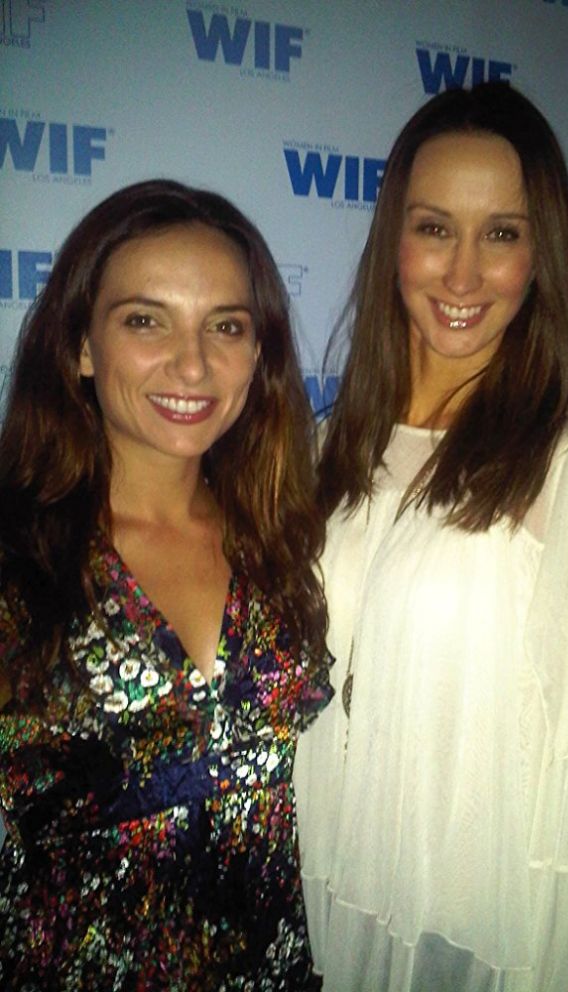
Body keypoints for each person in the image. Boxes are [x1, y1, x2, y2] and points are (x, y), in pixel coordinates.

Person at [293, 82, 568, 992]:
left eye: (501, 233)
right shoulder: (325, 449)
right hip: (312, 910)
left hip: (467, 955)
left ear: (542, 257)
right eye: (434, 228)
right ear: (394, 242)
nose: (462, 275)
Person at [0, 180, 331, 991]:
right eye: (146, 321)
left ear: (259, 354)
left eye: (227, 326)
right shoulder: (17, 558)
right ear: (82, 347)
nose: (193, 364)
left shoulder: (283, 539)